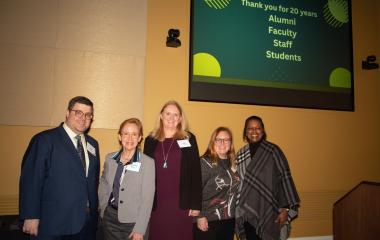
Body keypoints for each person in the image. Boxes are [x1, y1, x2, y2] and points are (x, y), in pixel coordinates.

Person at [19, 96, 100, 240]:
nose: (83, 118)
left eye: (88, 115)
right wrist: (30, 216)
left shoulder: (93, 144)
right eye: (78, 112)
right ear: (68, 113)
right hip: (52, 223)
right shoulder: (44, 140)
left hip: (85, 222)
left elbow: (91, 181)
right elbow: (31, 179)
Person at [143, 100, 202, 240]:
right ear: (161, 116)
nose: (171, 118)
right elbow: (145, 173)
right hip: (157, 203)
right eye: (168, 113)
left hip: (181, 203)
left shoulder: (188, 138)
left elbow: (196, 172)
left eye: (176, 115)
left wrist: (196, 204)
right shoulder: (150, 140)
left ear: (180, 118)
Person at [235, 116, 300, 240]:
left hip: (270, 210)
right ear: (245, 131)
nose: (254, 131)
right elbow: (237, 184)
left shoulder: (273, 151)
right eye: (250, 128)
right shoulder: (240, 154)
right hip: (247, 213)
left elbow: (284, 180)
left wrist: (286, 209)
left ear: (263, 131)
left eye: (258, 128)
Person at [98, 118, 155, 240]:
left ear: (140, 138)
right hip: (110, 219)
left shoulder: (148, 163)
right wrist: (103, 208)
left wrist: (139, 230)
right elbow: (104, 184)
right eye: (126, 134)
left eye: (134, 134)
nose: (130, 138)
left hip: (133, 222)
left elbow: (147, 199)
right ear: (119, 136)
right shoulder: (110, 159)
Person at [193, 127, 240, 240]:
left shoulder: (234, 164)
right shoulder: (204, 163)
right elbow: (194, 191)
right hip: (208, 220)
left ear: (231, 143)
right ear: (212, 142)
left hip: (228, 220)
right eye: (218, 139)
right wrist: (200, 216)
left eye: (226, 140)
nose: (222, 143)